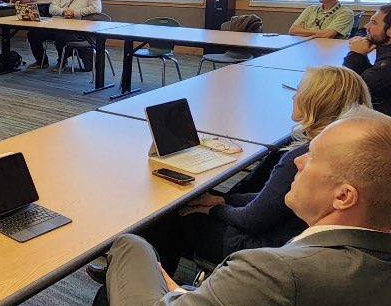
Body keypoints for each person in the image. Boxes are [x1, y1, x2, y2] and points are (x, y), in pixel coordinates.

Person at [50, 107, 391, 306]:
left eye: (313, 157)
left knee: (129, 247)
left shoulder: (277, 274)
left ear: (344, 196)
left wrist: (177, 295)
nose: (299, 160)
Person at [130, 65, 372, 277]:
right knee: (193, 201)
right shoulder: (345, 150)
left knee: (168, 214)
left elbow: (252, 219)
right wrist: (223, 198)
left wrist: (216, 208)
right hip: (287, 239)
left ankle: (146, 281)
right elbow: (270, 201)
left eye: (300, 91)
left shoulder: (303, 158)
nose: (294, 97)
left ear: (315, 102)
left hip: (261, 248)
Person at [26, 0, 101, 71]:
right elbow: (52, 7)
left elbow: (96, 9)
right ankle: (42, 62)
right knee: (33, 34)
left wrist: (75, 12)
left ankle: (61, 62)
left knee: (61, 36)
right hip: (55, 25)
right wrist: (63, 12)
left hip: (75, 29)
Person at [344, 3, 391, 116]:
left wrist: (355, 54)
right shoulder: (385, 48)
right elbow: (368, 77)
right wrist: (361, 53)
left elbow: (347, 88)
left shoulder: (388, 65)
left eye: (373, 23)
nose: (367, 26)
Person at [287, 0, 354, 38]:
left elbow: (328, 35)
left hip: (329, 48)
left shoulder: (345, 13)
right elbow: (292, 30)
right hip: (307, 45)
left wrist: (303, 31)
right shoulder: (310, 9)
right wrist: (321, 32)